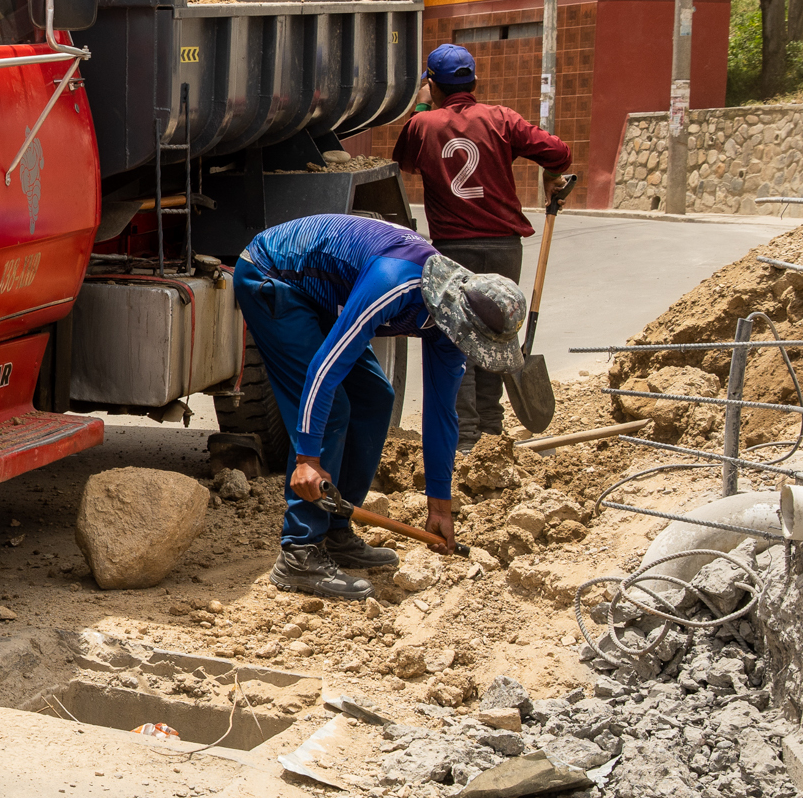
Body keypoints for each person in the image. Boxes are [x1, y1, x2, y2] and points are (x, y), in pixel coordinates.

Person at [235, 213, 528, 600]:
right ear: (462, 319)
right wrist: (307, 459)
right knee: (333, 410)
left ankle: (336, 530)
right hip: (274, 275)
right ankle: (299, 552)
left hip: (320, 289)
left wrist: (440, 507)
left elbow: (442, 414)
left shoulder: (451, 326)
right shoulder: (395, 282)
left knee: (376, 398)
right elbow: (325, 369)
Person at [393, 44, 573, 449]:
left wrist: (422, 106)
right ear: (474, 81)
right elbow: (559, 153)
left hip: (454, 252)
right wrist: (551, 174)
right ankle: (491, 429)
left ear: (433, 84)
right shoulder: (501, 118)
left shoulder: (423, 125)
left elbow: (405, 161)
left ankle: (467, 437)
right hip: (504, 247)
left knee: (458, 340)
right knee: (496, 335)